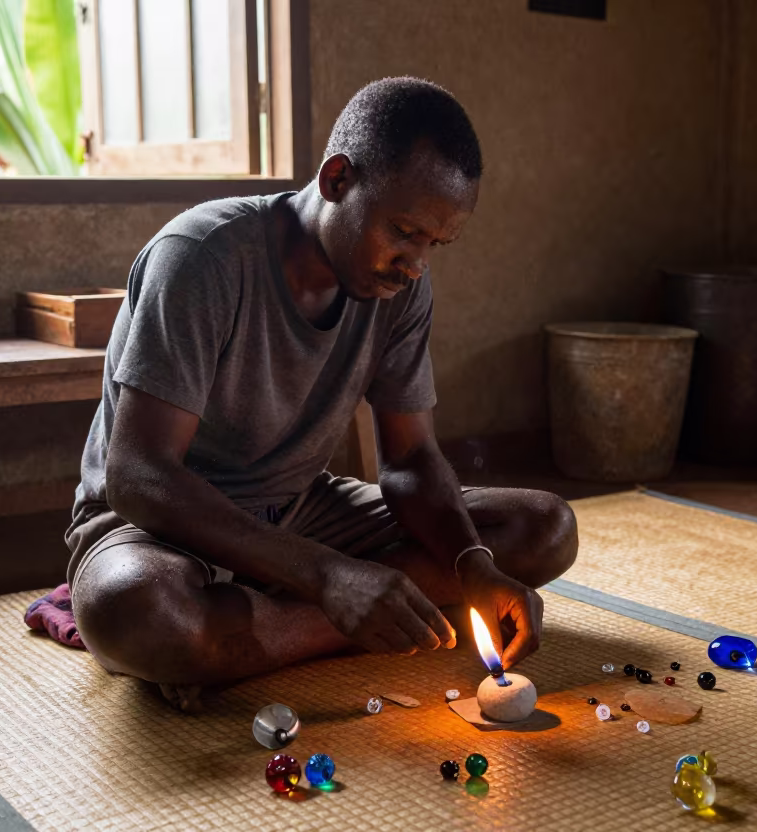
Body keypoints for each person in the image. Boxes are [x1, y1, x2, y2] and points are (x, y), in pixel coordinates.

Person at [65, 77, 577, 708]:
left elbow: (411, 459)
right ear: (338, 180)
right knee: (136, 613)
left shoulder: (402, 287)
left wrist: (471, 564)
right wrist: (327, 575)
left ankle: (256, 634)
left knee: (542, 528)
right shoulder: (201, 257)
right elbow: (140, 477)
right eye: (404, 231)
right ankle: (327, 614)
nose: (415, 264)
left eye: (435, 245)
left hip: (300, 508)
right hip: (162, 528)